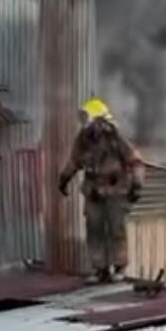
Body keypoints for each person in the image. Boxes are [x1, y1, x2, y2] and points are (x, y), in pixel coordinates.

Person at [57, 97, 145, 283]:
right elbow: (74, 161)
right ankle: (100, 269)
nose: (85, 124)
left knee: (116, 229)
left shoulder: (116, 139)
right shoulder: (83, 140)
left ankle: (119, 267)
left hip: (116, 191)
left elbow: (135, 162)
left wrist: (137, 185)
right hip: (94, 192)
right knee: (94, 229)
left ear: (99, 120)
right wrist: (64, 179)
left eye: (87, 118)